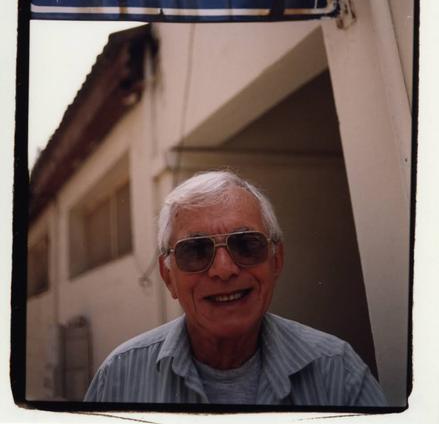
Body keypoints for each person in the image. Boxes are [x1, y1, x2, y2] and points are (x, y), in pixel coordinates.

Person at [84, 170, 387, 406]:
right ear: (168, 277)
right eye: (196, 250)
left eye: (246, 244)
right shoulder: (119, 377)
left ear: (276, 261)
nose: (224, 269)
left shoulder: (338, 371)